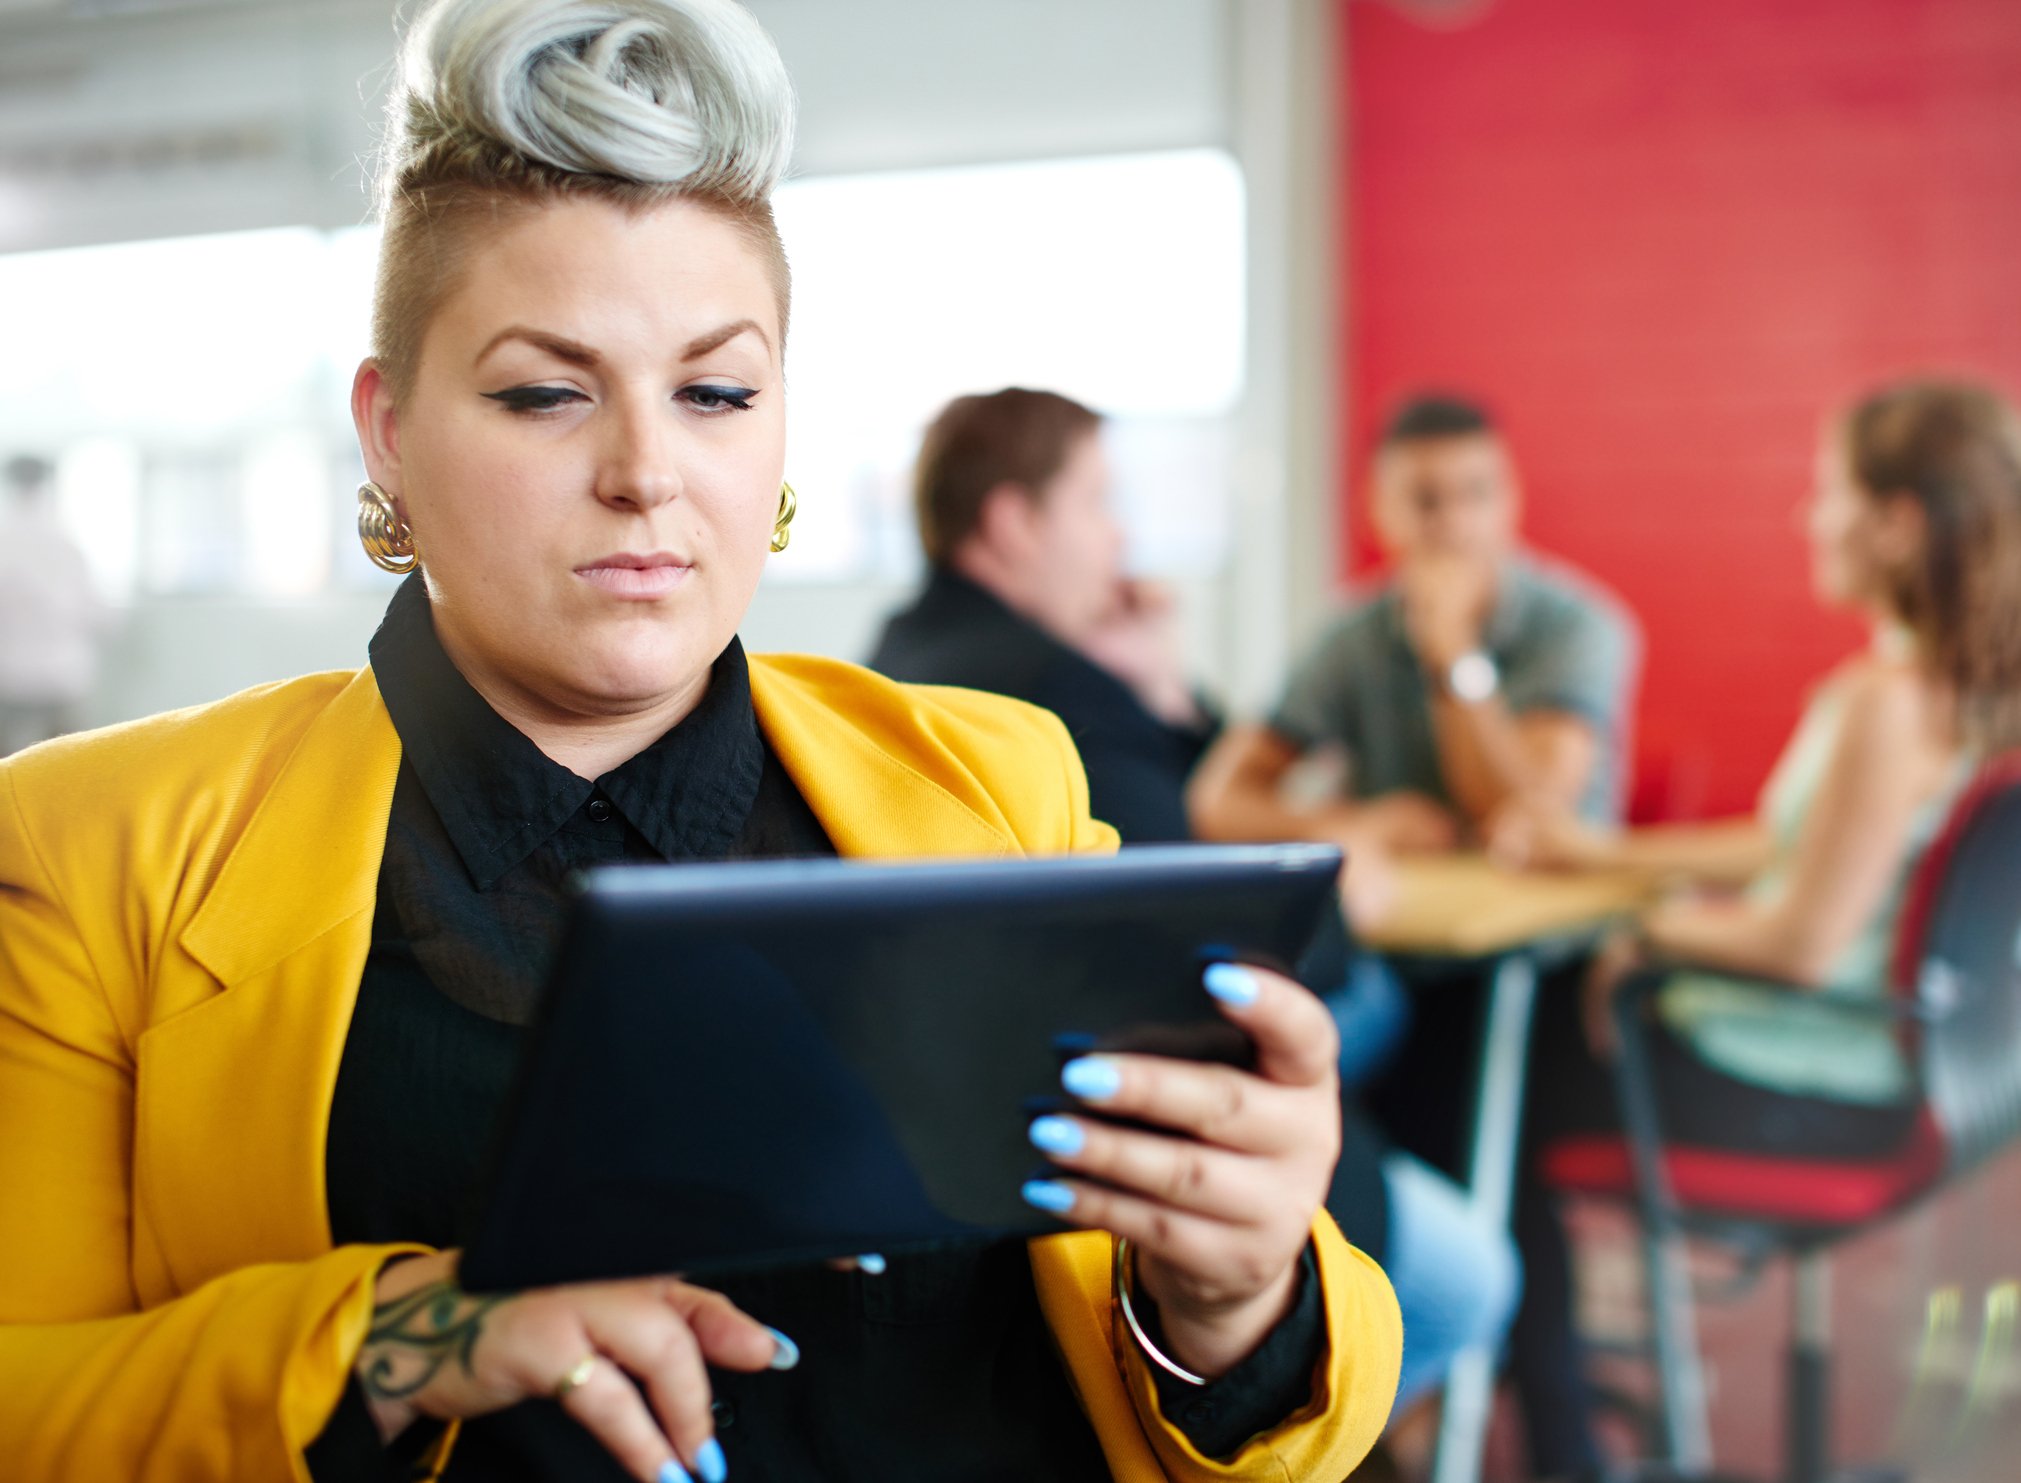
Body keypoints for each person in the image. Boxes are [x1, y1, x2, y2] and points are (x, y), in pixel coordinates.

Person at [0, 5, 1402, 1482]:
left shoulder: (995, 782)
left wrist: (1233, 1297)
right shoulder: (100, 848)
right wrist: (405, 1332)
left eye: (716, 392)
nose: (646, 472)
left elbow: (1237, 1400)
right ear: (390, 430)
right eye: (546, 391)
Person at [868, 387, 1517, 1441]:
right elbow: (1227, 937)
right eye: (1098, 503)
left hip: (971, 1112)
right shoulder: (1052, 693)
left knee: (1393, 1018)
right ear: (1011, 524)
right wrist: (1336, 891)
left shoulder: (898, 658)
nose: (1122, 538)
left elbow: (1194, 809)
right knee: (1475, 1265)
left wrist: (1162, 691)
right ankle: (1296, 1430)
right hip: (1107, 1104)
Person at [1493, 378, 2021, 1479]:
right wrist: (1605, 858)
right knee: (1515, 1043)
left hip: (1800, 1085)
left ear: (1896, 522)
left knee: (1479, 1079)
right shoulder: (1939, 690)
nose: (1804, 517)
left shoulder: (1884, 702)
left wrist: (1648, 935)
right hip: (1876, 1066)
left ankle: (1555, 1440)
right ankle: (1558, 1423)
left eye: (1826, 493)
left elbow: (1798, 941)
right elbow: (1790, 844)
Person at [1187, 394, 1638, 857]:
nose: (1455, 523)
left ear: (1511, 500)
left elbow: (1529, 817)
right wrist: (1350, 824)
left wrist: (1454, 656)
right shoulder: (1351, 637)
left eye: (1477, 493)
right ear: (1379, 510)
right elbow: (1218, 801)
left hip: (1552, 922)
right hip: (1408, 918)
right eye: (1426, 501)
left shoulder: (1580, 627)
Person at [0, 455, 107, 755]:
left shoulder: (5, 539)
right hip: (62, 674)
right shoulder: (67, 543)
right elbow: (96, 613)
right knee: (68, 763)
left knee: (8, 768)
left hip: (10, 675)